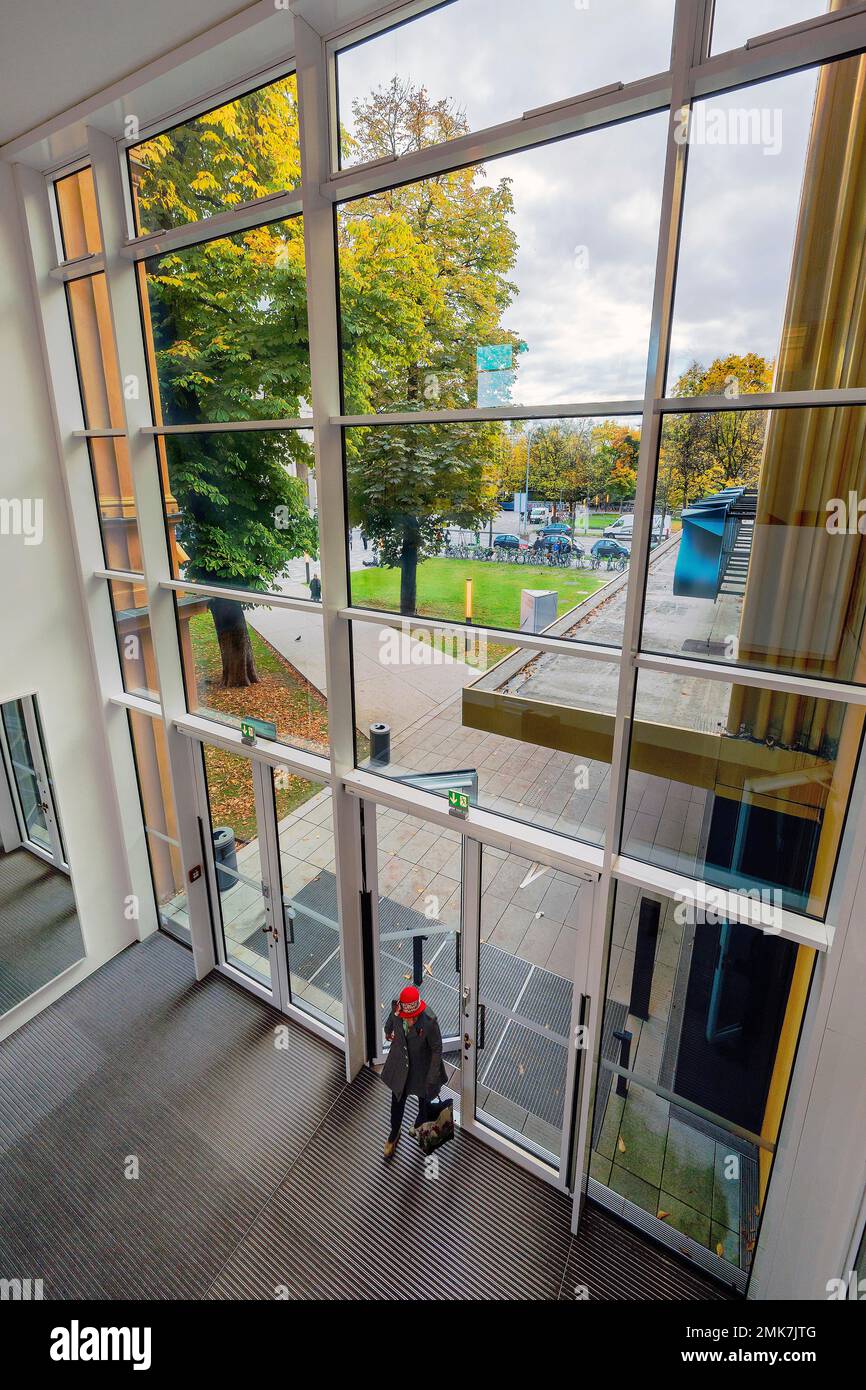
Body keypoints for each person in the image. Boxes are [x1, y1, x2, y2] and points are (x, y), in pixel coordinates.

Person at [381, 985, 447, 1160]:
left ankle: (420, 1129)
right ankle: (394, 1133)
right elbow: (390, 1021)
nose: (409, 1021)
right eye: (406, 1017)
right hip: (401, 1067)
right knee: (396, 1102)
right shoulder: (397, 1007)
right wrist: (388, 1031)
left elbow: (436, 1049)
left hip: (422, 1070)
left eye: (413, 1017)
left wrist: (432, 1077)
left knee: (423, 1105)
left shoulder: (429, 1021)